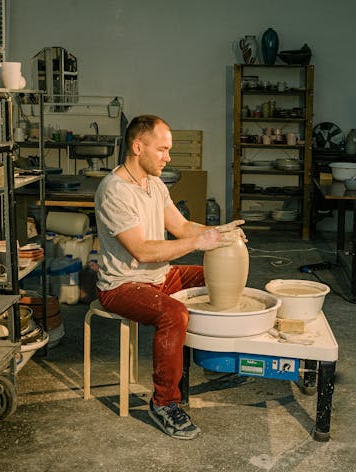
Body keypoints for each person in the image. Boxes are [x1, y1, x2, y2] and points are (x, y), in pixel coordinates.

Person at [94, 114, 245, 440]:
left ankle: (216, 362)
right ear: (138, 147)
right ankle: (164, 403)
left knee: (220, 279)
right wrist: (197, 243)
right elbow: (142, 251)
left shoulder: (155, 184)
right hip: (123, 284)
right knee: (174, 314)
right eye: (162, 149)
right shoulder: (114, 191)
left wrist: (220, 234)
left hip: (159, 276)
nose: (168, 157)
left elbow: (182, 227)